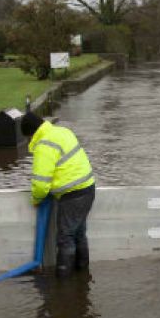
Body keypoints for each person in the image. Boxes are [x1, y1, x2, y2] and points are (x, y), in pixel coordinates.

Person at [21, 112, 95, 278]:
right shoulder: (62, 131)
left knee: (65, 237)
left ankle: (64, 283)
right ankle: (83, 275)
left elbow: (40, 184)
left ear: (31, 133)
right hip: (88, 188)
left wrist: (36, 199)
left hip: (72, 195)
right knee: (79, 234)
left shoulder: (44, 145)